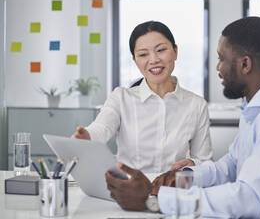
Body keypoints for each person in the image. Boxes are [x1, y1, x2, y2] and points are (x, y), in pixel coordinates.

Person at [105, 16, 260, 218]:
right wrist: (181, 179)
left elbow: (249, 199)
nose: (217, 67)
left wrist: (154, 201)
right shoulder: (258, 105)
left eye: (221, 58)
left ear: (245, 64)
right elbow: (229, 167)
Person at [73, 21, 212, 173]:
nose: (153, 60)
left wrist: (192, 164)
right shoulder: (121, 98)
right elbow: (102, 128)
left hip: (174, 191)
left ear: (175, 51)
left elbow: (204, 161)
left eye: (161, 50)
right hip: (129, 191)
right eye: (143, 54)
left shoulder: (196, 105)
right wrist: (87, 136)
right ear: (135, 60)